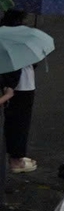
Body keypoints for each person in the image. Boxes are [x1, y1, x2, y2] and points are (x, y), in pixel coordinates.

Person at [0, 10, 39, 173]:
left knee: (13, 122)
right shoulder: (20, 37)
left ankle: (15, 156)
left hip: (14, 86)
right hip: (22, 86)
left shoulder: (4, 35)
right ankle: (16, 160)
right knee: (20, 124)